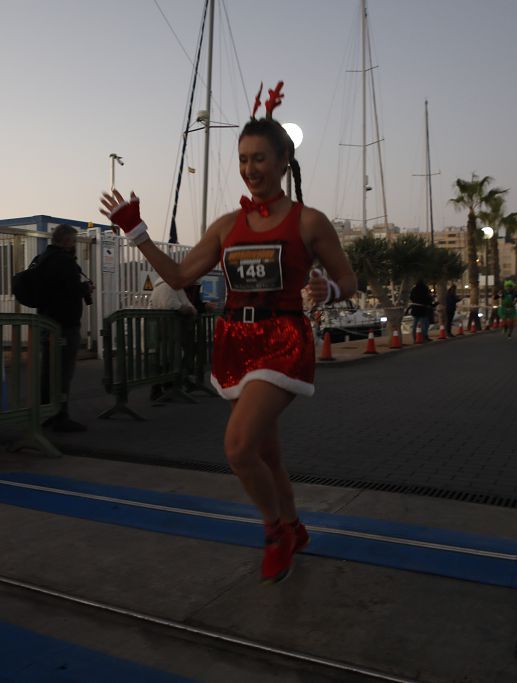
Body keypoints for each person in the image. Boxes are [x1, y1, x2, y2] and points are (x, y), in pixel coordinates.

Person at [99, 82, 356, 584]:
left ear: (283, 160)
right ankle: (296, 525)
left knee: (238, 449)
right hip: (235, 344)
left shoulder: (310, 222)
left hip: (283, 342)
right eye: (242, 159)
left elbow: (347, 280)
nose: (250, 169)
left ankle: (274, 529)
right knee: (267, 453)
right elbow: (177, 278)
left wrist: (329, 291)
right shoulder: (225, 227)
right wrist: (138, 234)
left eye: (259, 158)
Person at [36, 224, 93, 432]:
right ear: (68, 240)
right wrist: (85, 288)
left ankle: (46, 413)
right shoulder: (64, 262)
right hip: (64, 325)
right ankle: (60, 415)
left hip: (46, 322)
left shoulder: (42, 259)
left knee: (48, 370)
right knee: (62, 372)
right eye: (74, 241)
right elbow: (68, 291)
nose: (75, 245)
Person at [148, 275, 197, 401]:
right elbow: (172, 304)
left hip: (163, 330)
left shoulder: (162, 287)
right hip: (168, 329)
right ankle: (163, 387)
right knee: (167, 356)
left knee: (164, 356)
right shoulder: (169, 287)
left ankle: (165, 386)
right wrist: (189, 310)